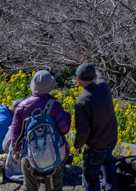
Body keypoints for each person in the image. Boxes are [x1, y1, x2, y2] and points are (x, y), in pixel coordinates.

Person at [10, 70, 71, 191]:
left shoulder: (22, 106)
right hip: (55, 154)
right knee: (54, 187)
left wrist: (16, 151)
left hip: (29, 154)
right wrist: (67, 116)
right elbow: (64, 130)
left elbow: (15, 132)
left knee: (29, 188)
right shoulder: (55, 105)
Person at [73, 63, 119, 191]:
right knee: (108, 162)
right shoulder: (104, 87)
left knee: (91, 178)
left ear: (78, 80)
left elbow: (83, 131)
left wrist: (77, 145)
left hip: (96, 145)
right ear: (94, 77)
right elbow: (100, 76)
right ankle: (112, 188)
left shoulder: (81, 101)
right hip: (111, 138)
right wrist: (92, 68)